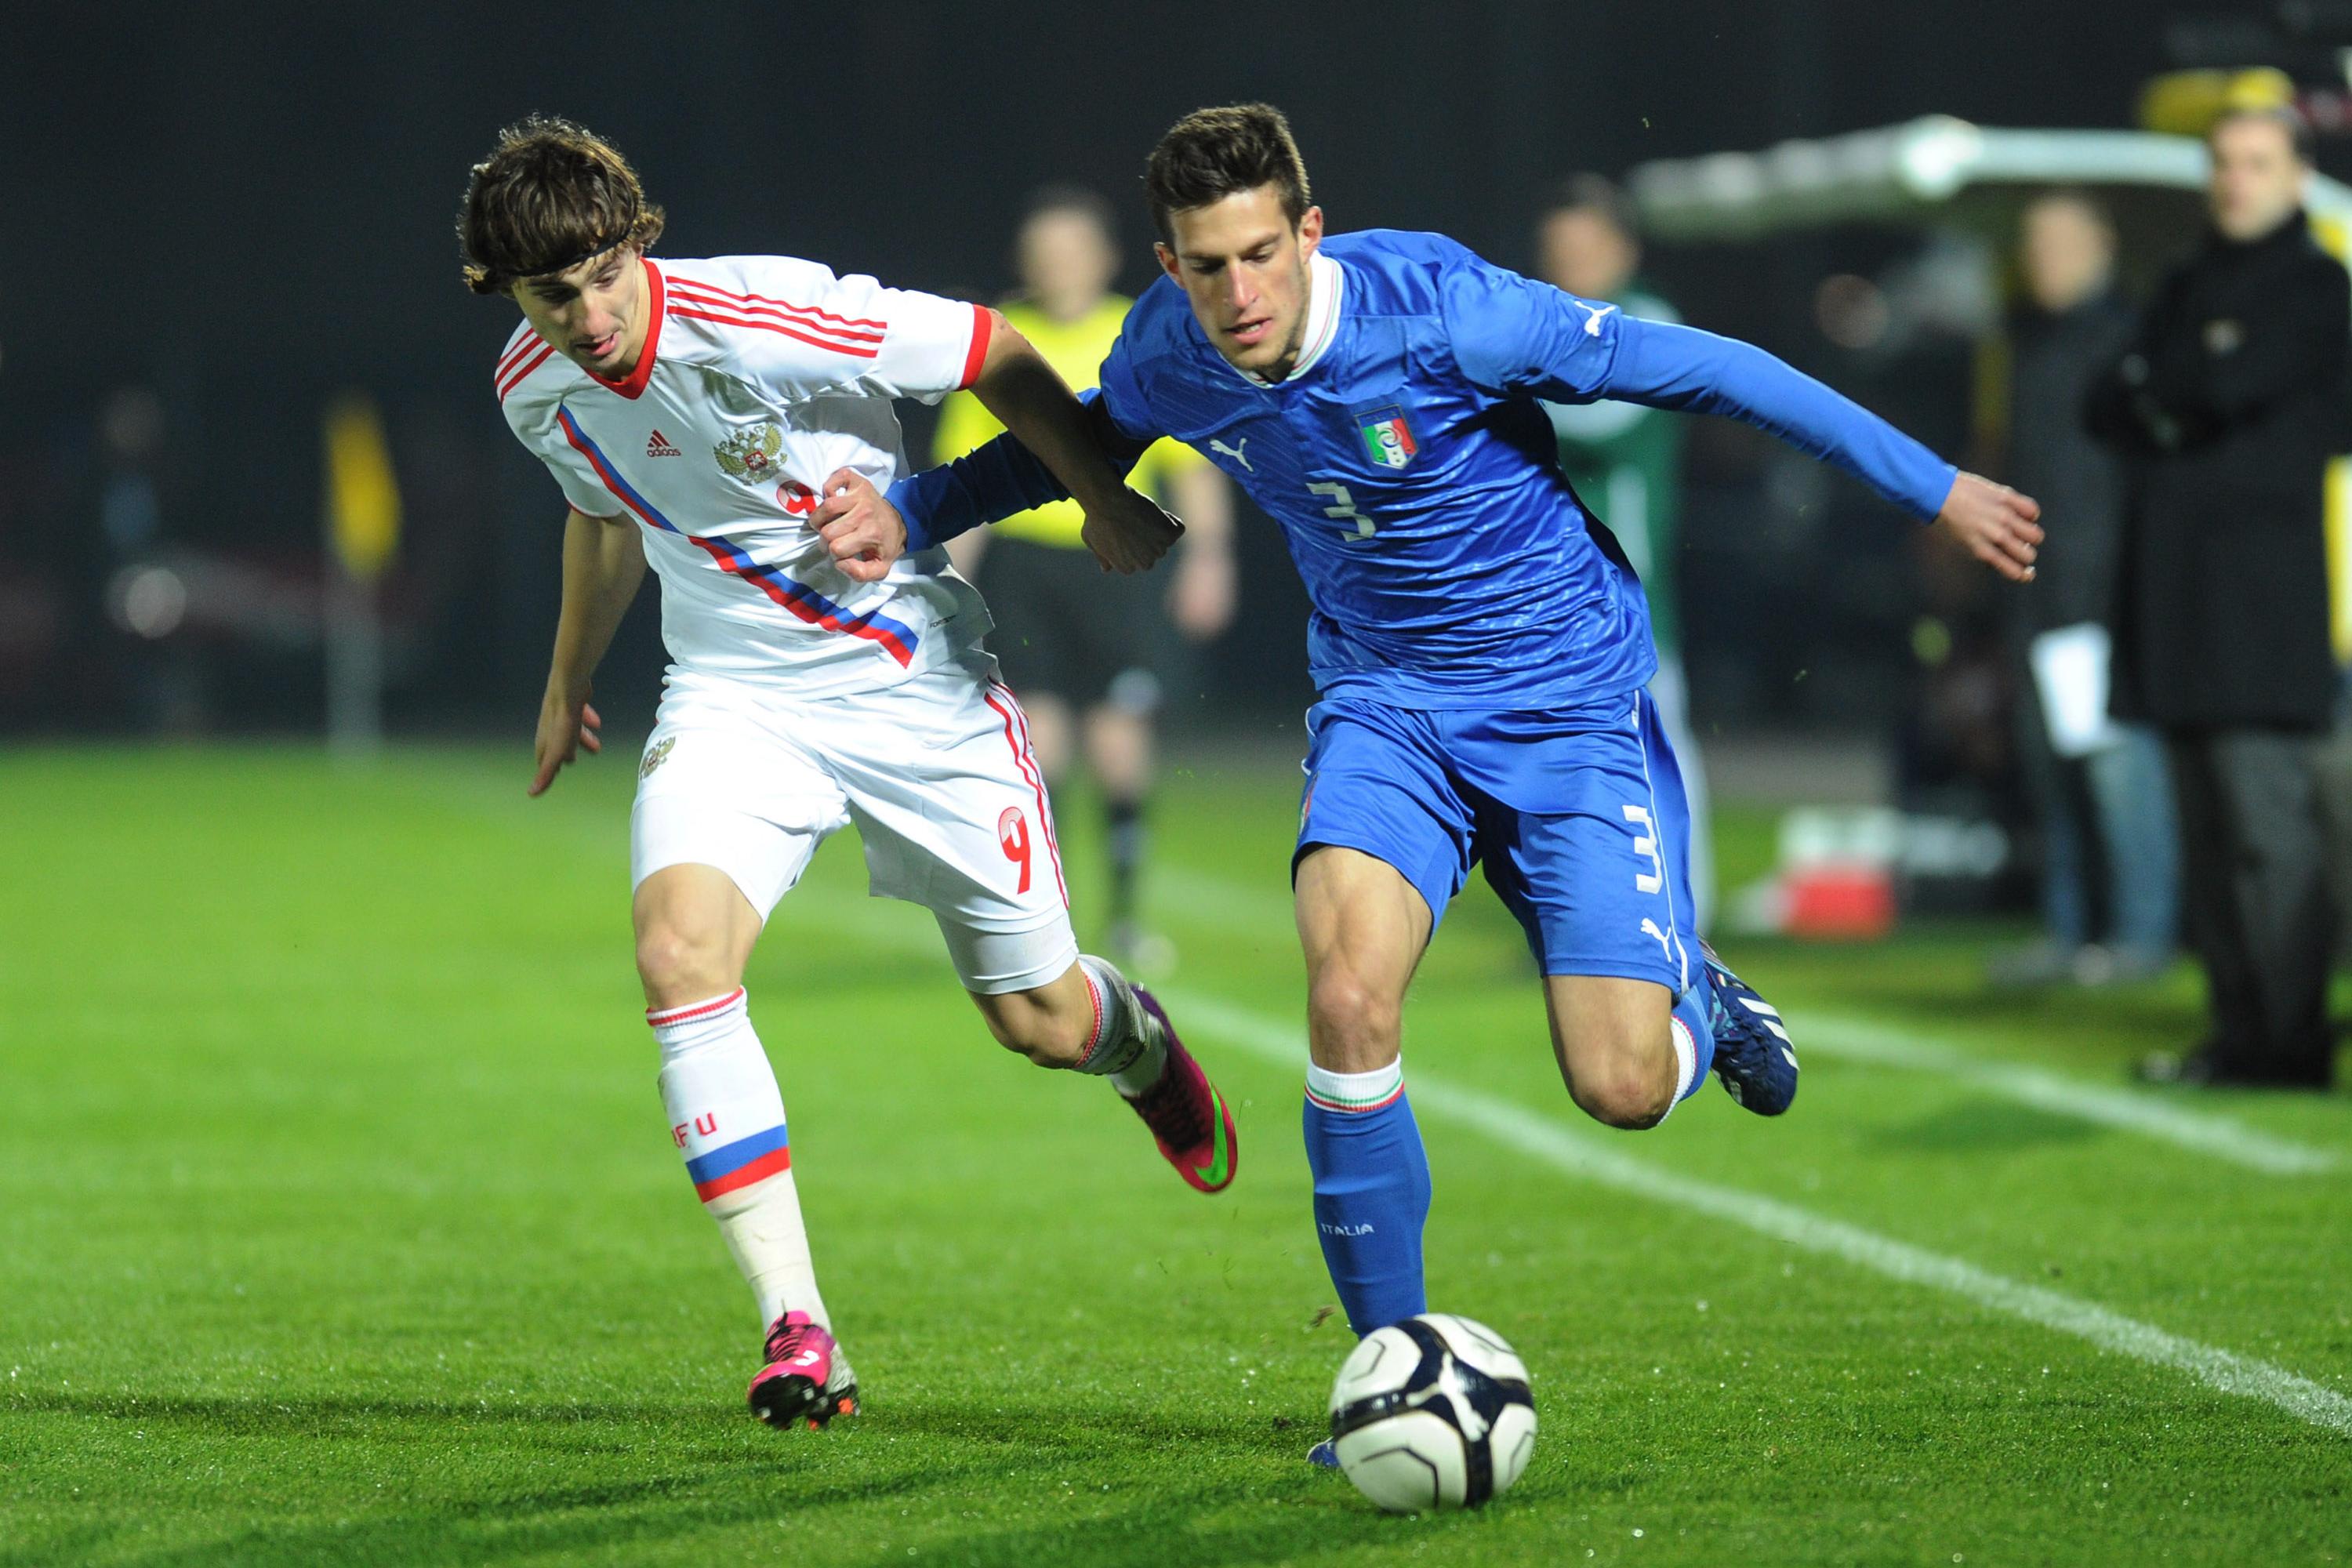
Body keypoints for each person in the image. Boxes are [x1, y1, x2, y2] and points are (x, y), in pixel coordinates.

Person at [811, 103, 2042, 1459]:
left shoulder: (1447, 311)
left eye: (1262, 255)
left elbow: (1712, 371)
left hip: (1570, 704)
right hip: (1386, 709)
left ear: (1309, 231)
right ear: (1168, 266)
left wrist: (1931, 485)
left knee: (1620, 1086)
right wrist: (911, 514)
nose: (1241, 293)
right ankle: (1391, 1379)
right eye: (1207, 266)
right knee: (1344, 997)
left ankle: (1702, 1002)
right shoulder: (1173, 349)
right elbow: (1083, 436)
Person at [458, 116, 1237, 1432]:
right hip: (732, 700)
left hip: (908, 685)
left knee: (1039, 1021)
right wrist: (563, 685)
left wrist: (1100, 494)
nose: (591, 315)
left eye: (604, 274)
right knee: (676, 955)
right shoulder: (534, 385)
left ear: (635, 239)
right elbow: (603, 515)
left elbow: (991, 350)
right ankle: (797, 1328)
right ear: (509, 292)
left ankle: (1136, 1041)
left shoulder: (759, 310)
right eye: (554, 293)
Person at [2087, 105, 2348, 1089]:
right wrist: (2184, 386)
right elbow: (2105, 398)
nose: (2236, 180)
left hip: (2262, 613)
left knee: (2268, 838)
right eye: (2224, 163)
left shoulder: (2317, 286)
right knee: (2207, 840)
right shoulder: (2189, 282)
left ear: (2296, 175)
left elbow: (2215, 384)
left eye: (2257, 162)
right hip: (2176, 606)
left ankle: (2291, 1042)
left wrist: (2173, 385)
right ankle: (2240, 1036)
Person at [932, 189, 1236, 963]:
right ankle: (1051, 917)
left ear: (1102, 257)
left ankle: (1127, 917)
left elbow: (1190, 461)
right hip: (1028, 567)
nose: (1057, 265)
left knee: (1118, 736)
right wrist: (942, 585)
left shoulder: (1142, 331)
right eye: (1044, 252)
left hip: (1121, 560)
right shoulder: (1001, 337)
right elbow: (965, 480)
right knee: (1037, 738)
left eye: (1072, 249)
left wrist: (1210, 556)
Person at [1989, 191, 2179, 988]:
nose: (2047, 258)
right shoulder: (2030, 342)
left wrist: (2107, 588)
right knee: (2053, 772)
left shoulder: (2124, 339)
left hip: (2094, 595)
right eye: (2037, 242)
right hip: (2034, 591)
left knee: (2116, 771)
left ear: (2103, 246)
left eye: (2063, 241)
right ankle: (2069, 932)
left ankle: (2139, 936)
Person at [1534, 176, 1715, 927]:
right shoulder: (1543, 326)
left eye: (1583, 249)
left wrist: (1489, 383)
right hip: (1540, 588)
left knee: (1653, 752)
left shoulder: (1647, 320)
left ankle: (1685, 914)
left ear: (1622, 249)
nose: (1568, 265)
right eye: (1557, 253)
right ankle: (1578, 914)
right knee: (1554, 764)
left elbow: (1597, 418)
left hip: (1623, 587)